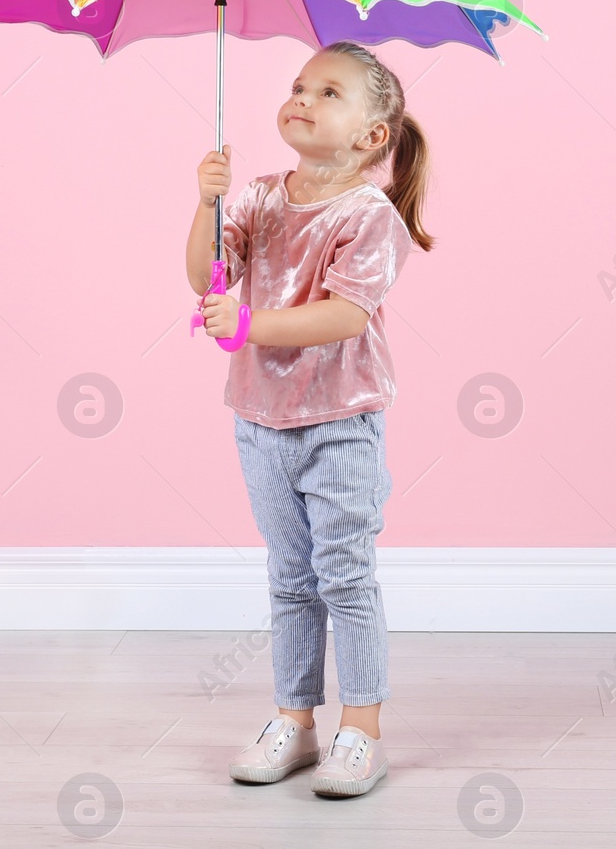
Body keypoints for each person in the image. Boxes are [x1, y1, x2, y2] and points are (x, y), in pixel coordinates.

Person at [184, 39, 435, 799]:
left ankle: (361, 731)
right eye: (300, 85)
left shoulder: (368, 215)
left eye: (330, 92)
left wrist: (247, 326)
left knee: (344, 576)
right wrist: (206, 203)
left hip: (338, 422)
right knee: (290, 576)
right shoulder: (256, 196)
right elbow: (205, 276)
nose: (303, 97)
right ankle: (295, 721)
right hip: (260, 419)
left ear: (371, 137)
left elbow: (344, 317)